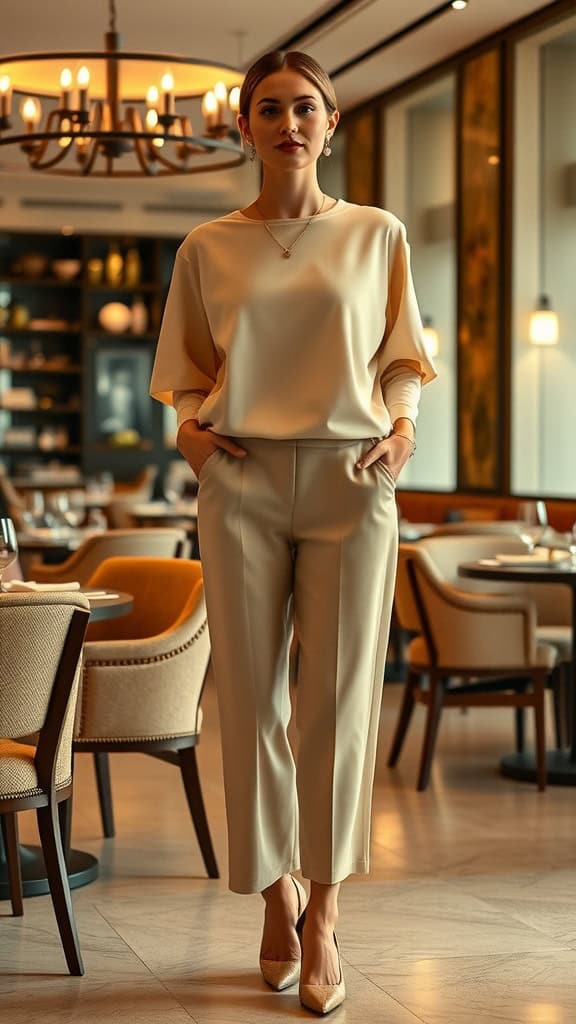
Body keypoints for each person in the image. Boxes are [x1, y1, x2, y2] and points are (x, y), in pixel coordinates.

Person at [150, 49, 436, 1015]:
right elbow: (184, 375)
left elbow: (401, 358)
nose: (288, 124)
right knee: (250, 705)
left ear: (331, 120)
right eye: (267, 109)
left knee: (340, 705)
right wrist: (192, 437)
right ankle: (276, 890)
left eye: (304, 107)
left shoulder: (377, 234)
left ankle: (326, 917)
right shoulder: (206, 247)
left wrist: (401, 434)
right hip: (242, 481)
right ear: (244, 129)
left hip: (355, 480)